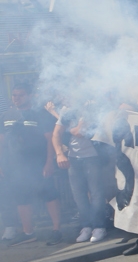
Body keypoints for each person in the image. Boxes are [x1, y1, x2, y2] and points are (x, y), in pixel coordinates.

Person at [0, 82, 60, 245]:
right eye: (14, 95)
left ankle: (56, 229)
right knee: (22, 199)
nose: (17, 98)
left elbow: (49, 140)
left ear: (29, 96)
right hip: (15, 167)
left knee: (49, 195)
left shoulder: (40, 114)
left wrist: (49, 162)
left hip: (39, 164)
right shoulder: (6, 116)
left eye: (21, 95)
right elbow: (2, 142)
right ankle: (28, 233)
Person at [53, 101, 111, 243]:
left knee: (96, 193)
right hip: (73, 159)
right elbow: (56, 134)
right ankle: (86, 226)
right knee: (78, 194)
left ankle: (99, 226)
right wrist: (59, 153)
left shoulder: (95, 109)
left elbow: (79, 131)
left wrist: (74, 125)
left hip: (93, 157)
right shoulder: (68, 111)